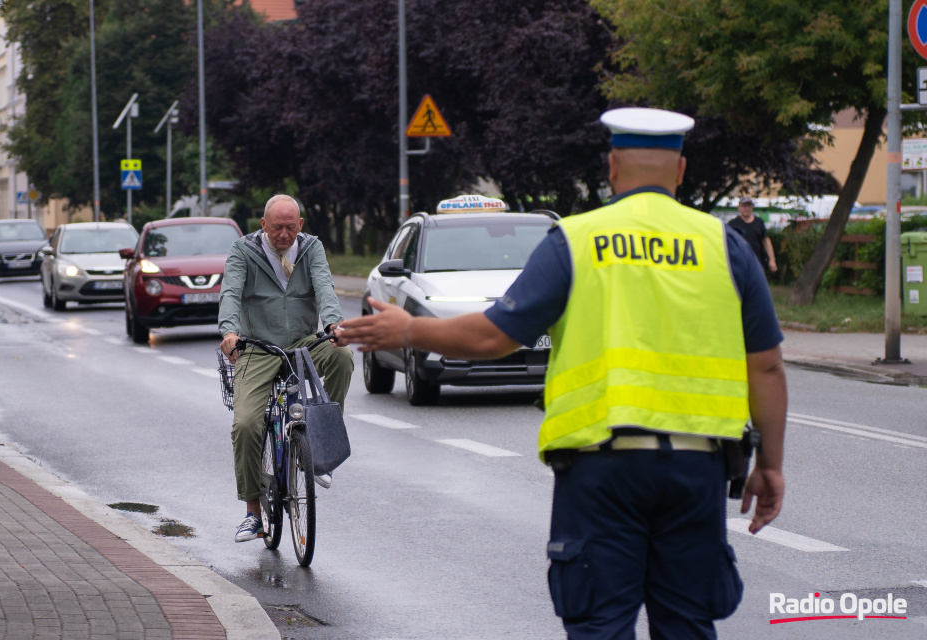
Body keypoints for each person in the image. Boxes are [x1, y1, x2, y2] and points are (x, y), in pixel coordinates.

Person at [337, 108, 787, 639]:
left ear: (612, 166)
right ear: (682, 171)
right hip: (698, 471)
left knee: (599, 625)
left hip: (602, 473)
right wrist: (771, 465)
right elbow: (767, 365)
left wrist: (410, 331)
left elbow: (493, 335)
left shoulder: (576, 240)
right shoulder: (724, 245)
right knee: (688, 625)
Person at [219, 194, 354, 543]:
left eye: (290, 228)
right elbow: (231, 292)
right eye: (276, 227)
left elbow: (325, 287)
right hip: (258, 348)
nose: (283, 234)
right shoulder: (243, 251)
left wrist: (335, 326)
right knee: (247, 423)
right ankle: (252, 512)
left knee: (343, 357)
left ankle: (320, 450)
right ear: (263, 225)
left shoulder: (311, 249)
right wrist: (229, 331)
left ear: (300, 226)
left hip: (304, 342)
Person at [728, 196, 777, 274]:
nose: (747, 208)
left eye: (749, 206)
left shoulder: (759, 222)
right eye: (744, 206)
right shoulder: (733, 224)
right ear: (739, 207)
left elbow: (766, 242)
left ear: (752, 207)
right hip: (739, 262)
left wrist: (772, 260)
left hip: (758, 262)